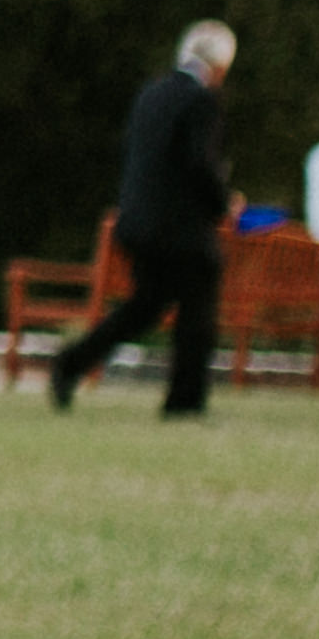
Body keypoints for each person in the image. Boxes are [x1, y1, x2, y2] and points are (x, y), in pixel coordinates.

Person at [48, 21, 237, 419]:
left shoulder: (151, 93)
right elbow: (199, 163)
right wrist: (224, 203)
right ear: (219, 65)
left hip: (138, 221)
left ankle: (71, 363)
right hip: (180, 227)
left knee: (146, 305)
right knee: (198, 310)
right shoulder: (201, 100)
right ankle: (184, 400)